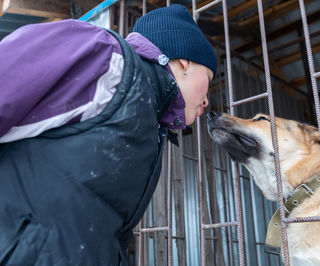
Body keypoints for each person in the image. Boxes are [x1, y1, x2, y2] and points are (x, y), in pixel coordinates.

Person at [0, 4, 216, 265]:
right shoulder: (107, 56)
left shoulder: (151, 124)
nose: (206, 100)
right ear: (185, 63)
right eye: (208, 79)